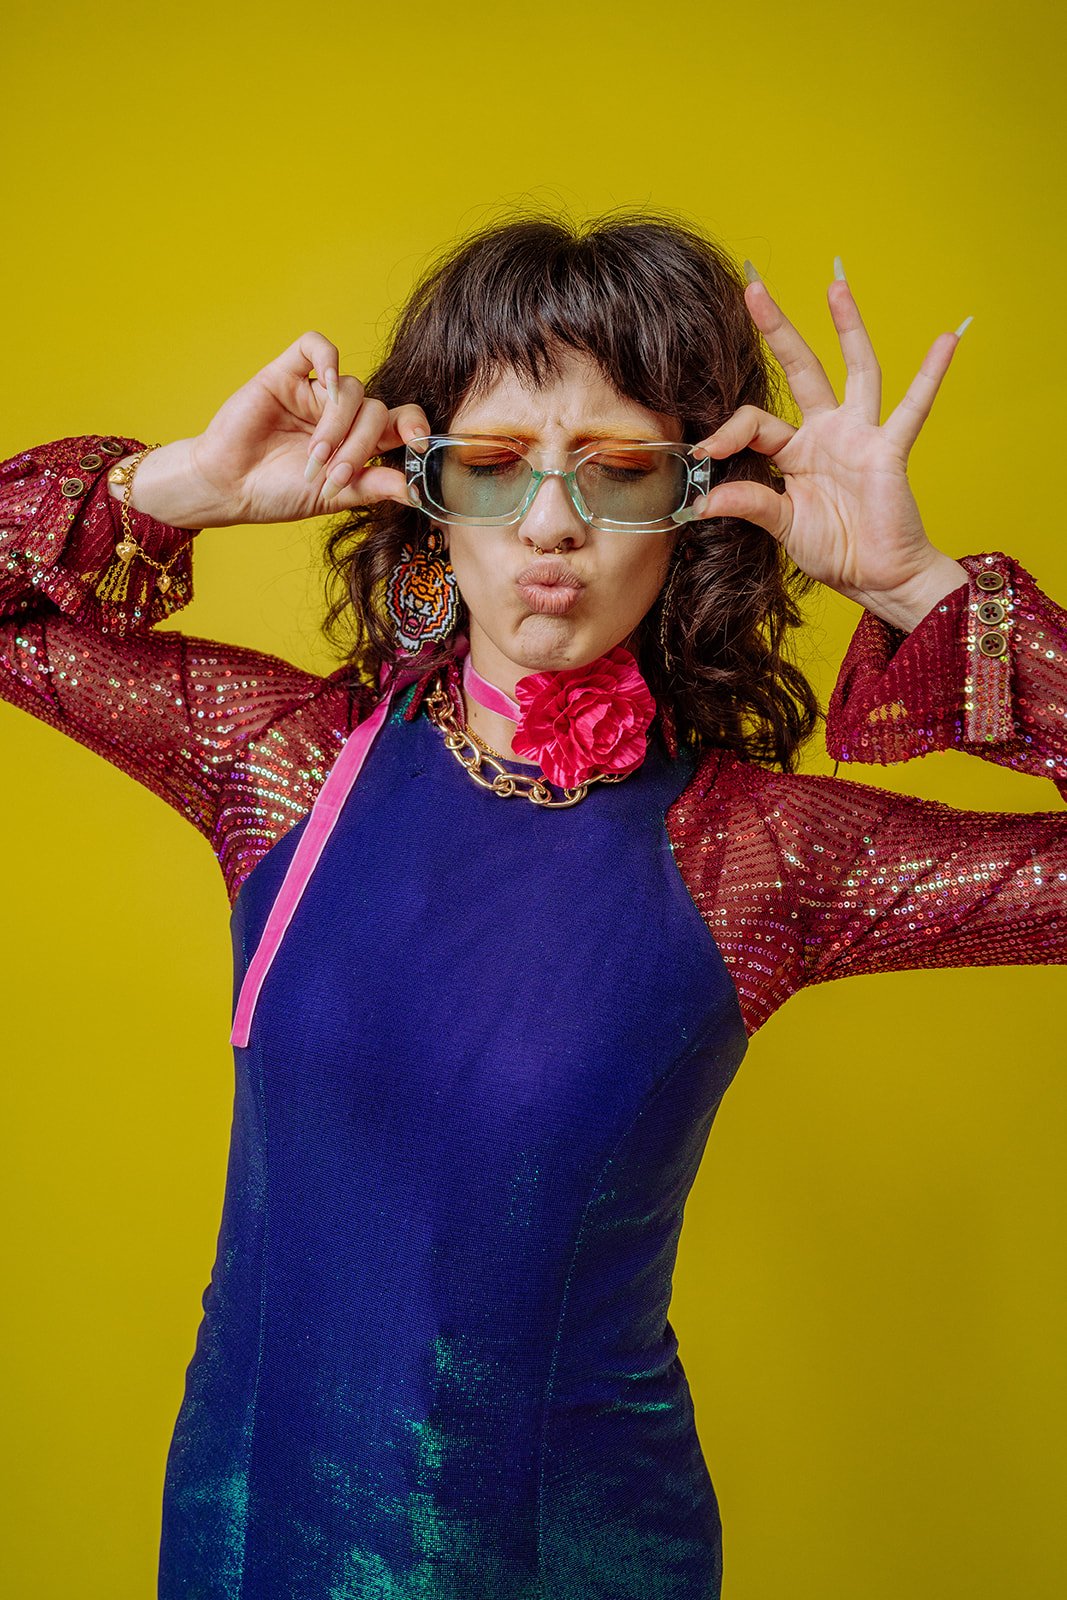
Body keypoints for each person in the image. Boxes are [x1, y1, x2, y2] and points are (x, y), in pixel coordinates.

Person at [1, 211, 1063, 1600]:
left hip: (573, 1558)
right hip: (250, 1535)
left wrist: (920, 591)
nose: (553, 523)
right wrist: (176, 486)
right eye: (496, 466)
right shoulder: (283, 765)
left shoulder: (759, 857)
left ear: (694, 504)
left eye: (619, 471)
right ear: (425, 489)